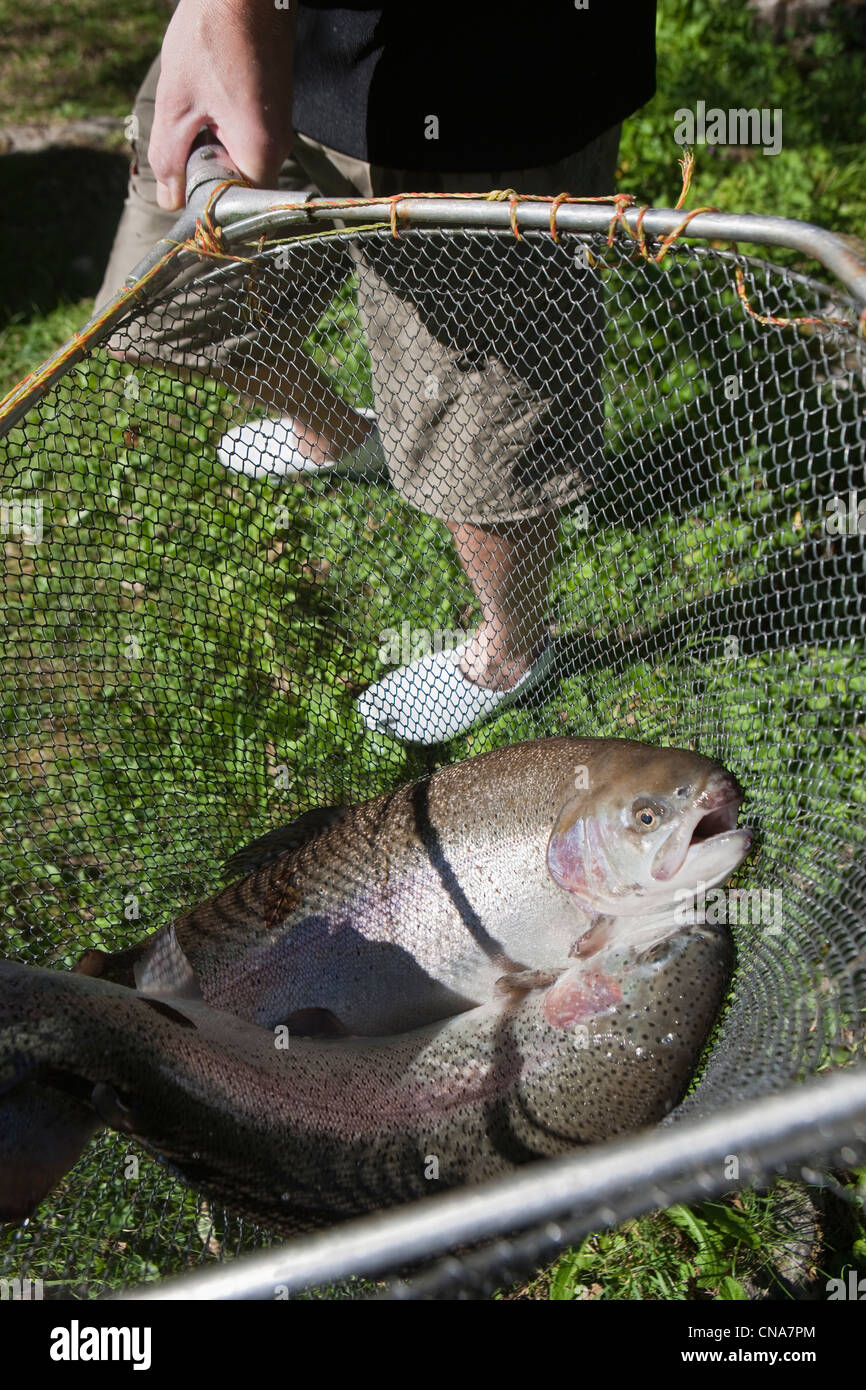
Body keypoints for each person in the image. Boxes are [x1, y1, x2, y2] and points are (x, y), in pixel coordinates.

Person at [97, 0, 657, 744]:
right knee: (151, 310)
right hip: (276, 51)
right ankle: (338, 436)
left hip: (483, 84)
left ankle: (512, 654)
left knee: (483, 443)